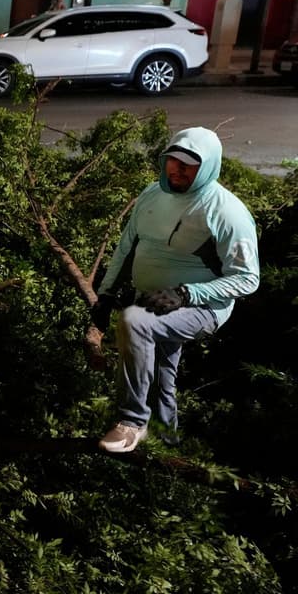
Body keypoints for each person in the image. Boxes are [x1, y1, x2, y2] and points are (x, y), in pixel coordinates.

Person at [92, 128, 259, 453]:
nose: (178, 170)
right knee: (159, 373)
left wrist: (186, 294)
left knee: (135, 323)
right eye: (173, 160)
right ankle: (164, 443)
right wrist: (106, 293)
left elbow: (247, 279)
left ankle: (131, 423)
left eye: (189, 165)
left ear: (208, 167)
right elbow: (127, 246)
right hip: (155, 301)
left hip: (203, 307)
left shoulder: (226, 212)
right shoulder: (151, 194)